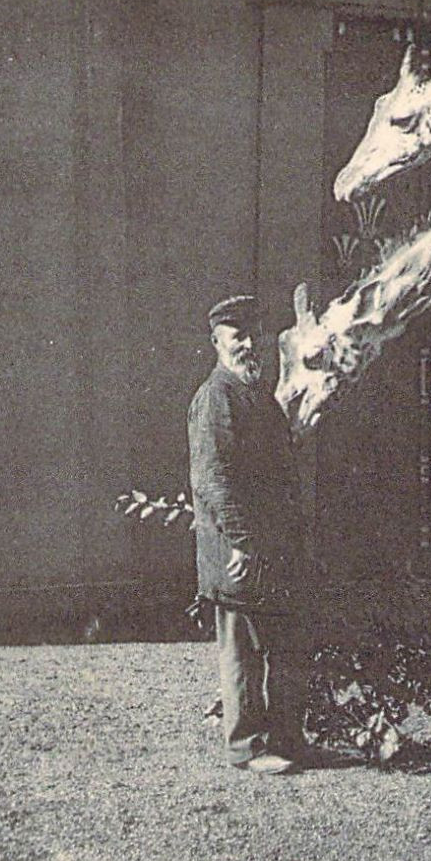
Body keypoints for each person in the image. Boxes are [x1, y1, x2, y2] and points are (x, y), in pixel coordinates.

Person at [188, 294, 307, 774]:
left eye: (253, 334)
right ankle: (246, 748)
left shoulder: (259, 398)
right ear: (216, 342)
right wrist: (241, 540)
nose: (248, 344)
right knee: (241, 648)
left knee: (285, 642)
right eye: (237, 336)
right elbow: (212, 477)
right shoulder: (216, 398)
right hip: (237, 550)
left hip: (272, 548)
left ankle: (288, 739)